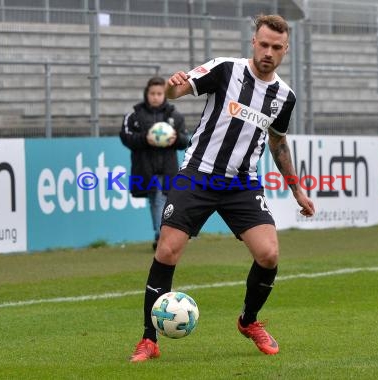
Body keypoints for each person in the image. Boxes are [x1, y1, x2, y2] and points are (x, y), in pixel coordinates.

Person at [129, 14, 315, 362]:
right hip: (198, 173)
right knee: (168, 250)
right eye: (263, 45)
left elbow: (278, 144)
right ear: (253, 43)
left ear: (285, 50)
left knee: (269, 254)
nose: (268, 53)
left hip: (242, 183)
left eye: (276, 47)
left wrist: (297, 189)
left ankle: (249, 321)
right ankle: (149, 339)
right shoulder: (225, 69)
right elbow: (177, 91)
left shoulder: (283, 97)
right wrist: (171, 86)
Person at [120, 76, 188, 251]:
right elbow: (126, 137)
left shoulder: (174, 115)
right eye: (153, 93)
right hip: (146, 168)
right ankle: (162, 236)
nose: (156, 97)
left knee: (164, 201)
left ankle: (163, 235)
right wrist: (146, 138)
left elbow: (184, 141)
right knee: (157, 199)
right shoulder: (134, 115)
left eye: (159, 93)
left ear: (165, 94)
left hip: (168, 169)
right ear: (147, 94)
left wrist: (174, 139)